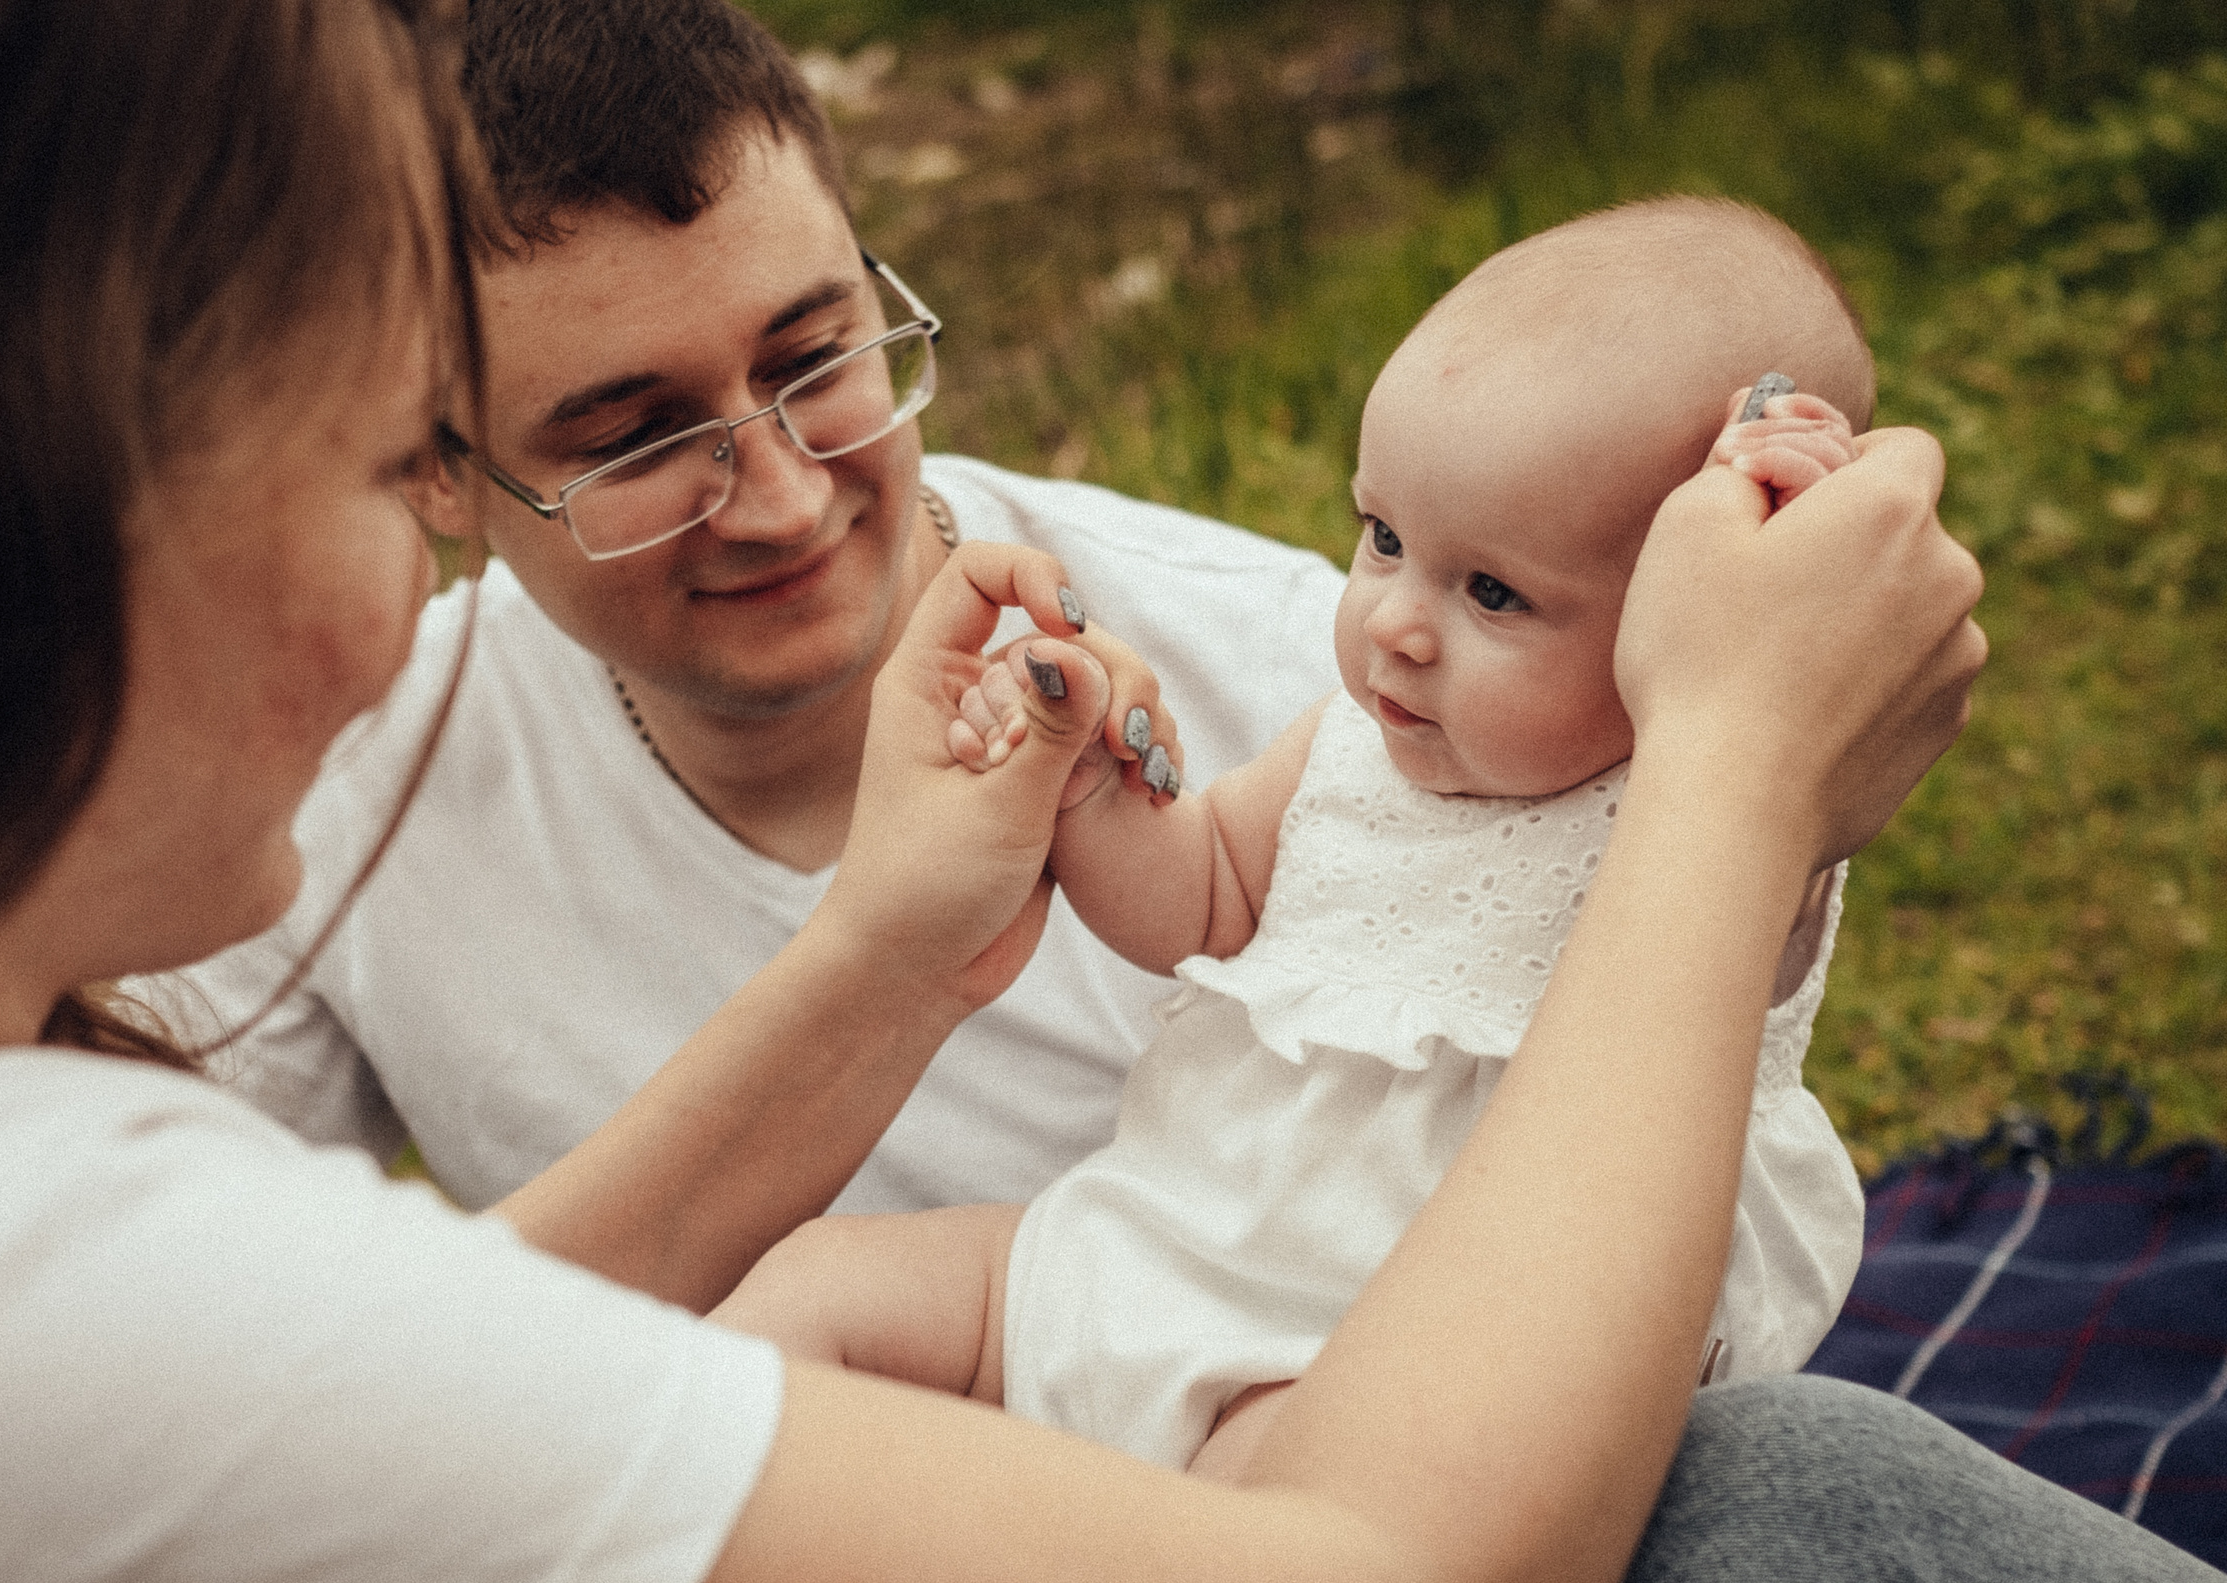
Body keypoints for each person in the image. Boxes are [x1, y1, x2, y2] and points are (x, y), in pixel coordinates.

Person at [0, 3, 2227, 1583]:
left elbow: (331, 1374)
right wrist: (1728, 770)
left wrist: (896, 944)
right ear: (28, 508)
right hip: (1217, 1533)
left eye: (817, 356)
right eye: (380, 460)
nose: (401, 606)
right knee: (1798, 1515)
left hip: (1225, 1428)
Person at [715, 200, 1879, 1474]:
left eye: (1492, 591)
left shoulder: (1701, 816)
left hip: (1351, 1377)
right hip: (1134, 1253)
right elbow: (1199, 900)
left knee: (1230, 1551)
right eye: (1383, 539)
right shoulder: (1346, 753)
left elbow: (1755, 799)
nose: (1394, 624)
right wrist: (1091, 790)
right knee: (817, 1289)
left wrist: (1775, 590)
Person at [151, 0, 1346, 1217]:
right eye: (632, 439)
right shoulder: (337, 798)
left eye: (813, 360)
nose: (779, 504)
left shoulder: (1309, 677)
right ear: (436, 470)